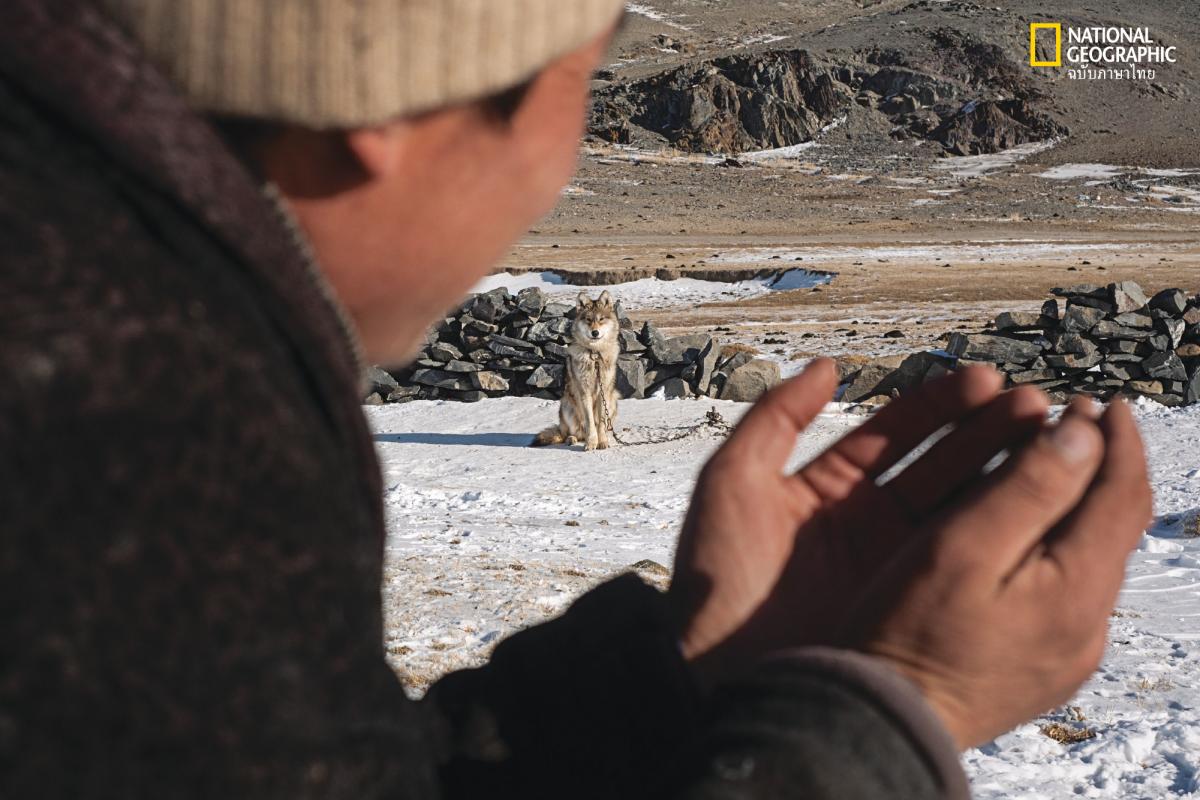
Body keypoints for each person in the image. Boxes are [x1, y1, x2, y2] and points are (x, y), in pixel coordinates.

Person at [0, 1, 1152, 798]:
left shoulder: (99, 297)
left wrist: (692, 668)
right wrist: (895, 708)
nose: (559, 177)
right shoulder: (141, 440)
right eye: (578, 84)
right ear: (392, 96)